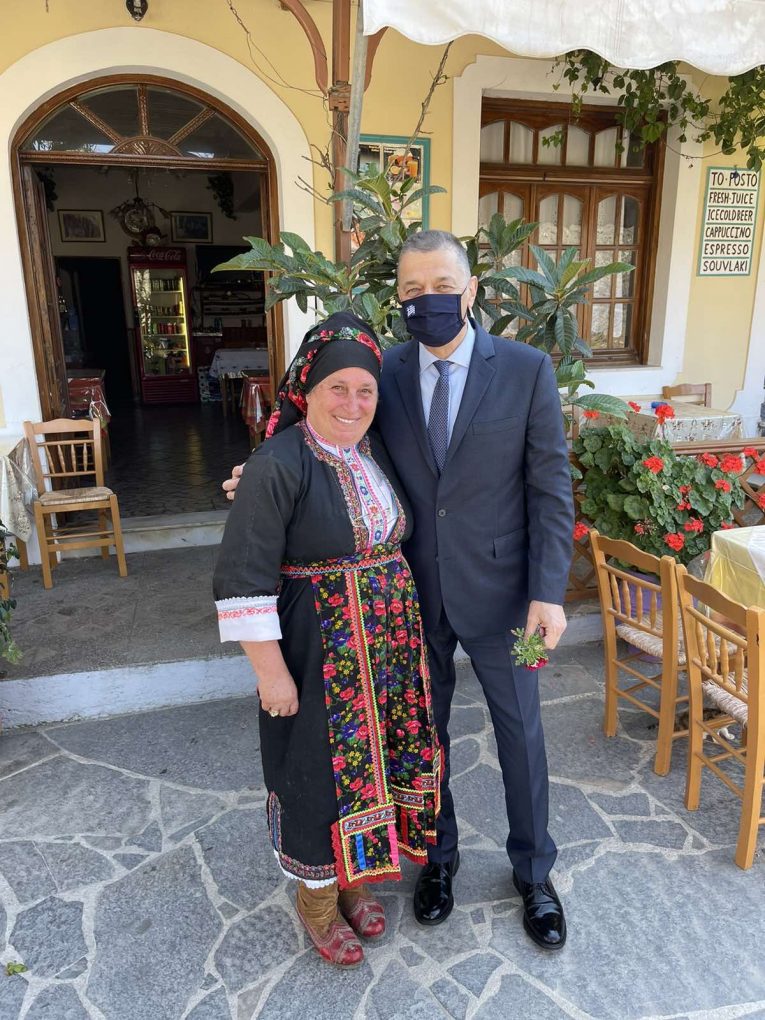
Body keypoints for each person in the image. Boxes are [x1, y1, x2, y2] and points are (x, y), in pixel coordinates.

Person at [225, 231, 574, 951]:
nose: (427, 300)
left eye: (441, 286)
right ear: (399, 298)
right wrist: (252, 477)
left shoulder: (526, 369)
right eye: (412, 290)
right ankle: (436, 861)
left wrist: (548, 591)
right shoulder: (380, 370)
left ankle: (534, 875)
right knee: (419, 736)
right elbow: (328, 438)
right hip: (408, 603)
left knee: (521, 736)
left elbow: (549, 488)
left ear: (470, 289)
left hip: (505, 597)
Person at [213, 312, 441, 969]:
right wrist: (271, 675)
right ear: (305, 391)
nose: (352, 403)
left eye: (365, 390)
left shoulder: (376, 452)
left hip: (387, 649)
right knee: (316, 773)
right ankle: (316, 898)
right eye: (337, 388)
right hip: (318, 655)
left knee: (375, 767)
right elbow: (242, 579)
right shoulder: (276, 464)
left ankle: (354, 880)